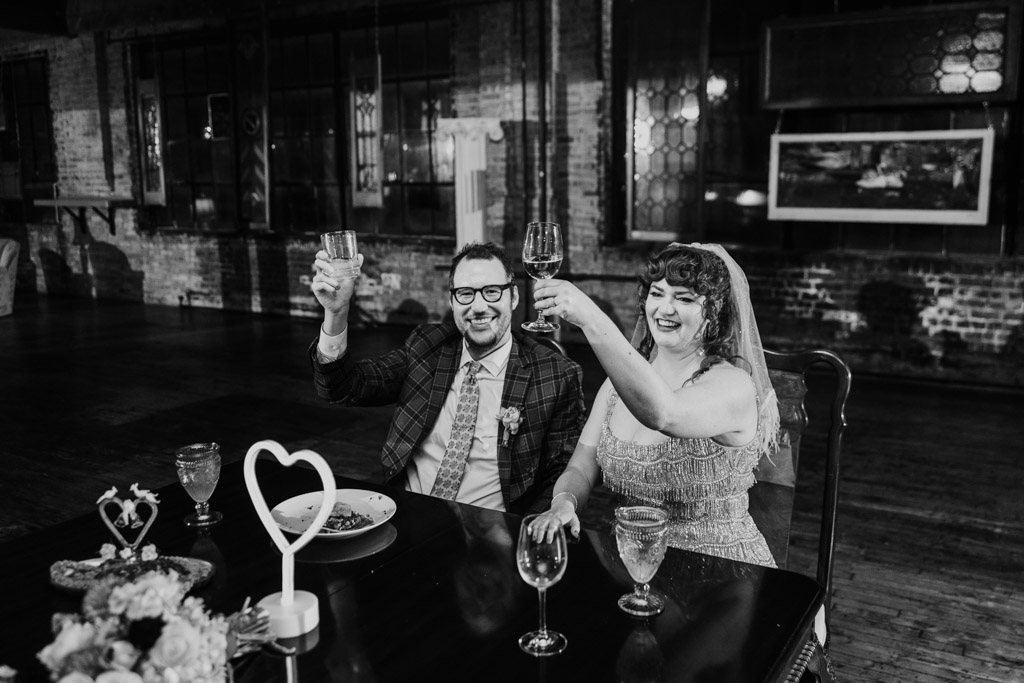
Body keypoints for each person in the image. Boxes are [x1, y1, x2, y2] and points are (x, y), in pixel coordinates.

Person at [529, 242, 780, 568]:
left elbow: (665, 414)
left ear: (715, 309)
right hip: (628, 562)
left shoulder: (733, 385)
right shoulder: (620, 386)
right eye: (657, 294)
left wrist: (592, 319)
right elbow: (580, 466)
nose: (665, 309)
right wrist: (564, 503)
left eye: (685, 298)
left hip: (718, 571)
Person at [308, 241, 587, 515]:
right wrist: (336, 313)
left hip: (491, 534)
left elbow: (561, 473)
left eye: (491, 291)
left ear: (513, 297)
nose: (478, 306)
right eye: (465, 293)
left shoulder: (554, 375)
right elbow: (343, 388)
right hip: (409, 514)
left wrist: (523, 534)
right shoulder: (427, 346)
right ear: (451, 300)